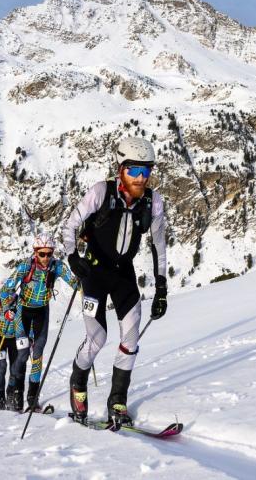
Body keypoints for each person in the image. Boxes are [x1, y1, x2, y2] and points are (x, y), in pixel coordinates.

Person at [63, 136, 169, 428]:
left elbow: (159, 245)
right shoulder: (101, 192)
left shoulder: (153, 202)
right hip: (94, 273)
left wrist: (161, 288)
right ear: (120, 169)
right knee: (97, 339)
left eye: (146, 171)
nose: (141, 178)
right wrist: (73, 258)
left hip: (124, 273)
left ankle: (117, 400)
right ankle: (78, 382)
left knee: (131, 339)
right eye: (134, 170)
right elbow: (70, 225)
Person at [1, 232, 78, 412]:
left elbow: (75, 283)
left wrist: (83, 282)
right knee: (22, 355)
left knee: (38, 354)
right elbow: (6, 289)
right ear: (35, 252)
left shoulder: (57, 266)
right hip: (23, 311)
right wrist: (7, 308)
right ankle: (15, 389)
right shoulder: (25, 267)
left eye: (49, 254)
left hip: (42, 311)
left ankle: (32, 397)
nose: (45, 258)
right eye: (41, 254)